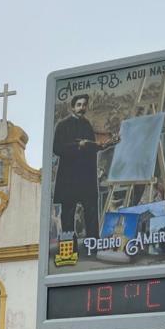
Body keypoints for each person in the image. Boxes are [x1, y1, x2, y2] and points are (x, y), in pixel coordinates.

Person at [52, 94, 104, 241]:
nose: (82, 108)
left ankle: (93, 243)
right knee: (68, 212)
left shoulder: (87, 124)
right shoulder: (62, 125)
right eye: (79, 105)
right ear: (73, 107)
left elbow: (91, 147)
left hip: (87, 176)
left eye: (84, 105)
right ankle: (68, 246)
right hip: (69, 177)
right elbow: (57, 148)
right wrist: (77, 146)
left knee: (92, 210)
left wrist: (100, 146)